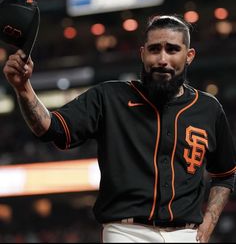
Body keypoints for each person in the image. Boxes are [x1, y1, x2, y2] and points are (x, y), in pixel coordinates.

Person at [3, 14, 236, 243]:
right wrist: (24, 89)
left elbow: (225, 174)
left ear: (189, 55)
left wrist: (209, 222)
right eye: (154, 49)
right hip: (127, 233)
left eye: (172, 50)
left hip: (187, 234)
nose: (162, 59)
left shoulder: (208, 108)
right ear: (142, 53)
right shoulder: (109, 97)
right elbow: (51, 129)